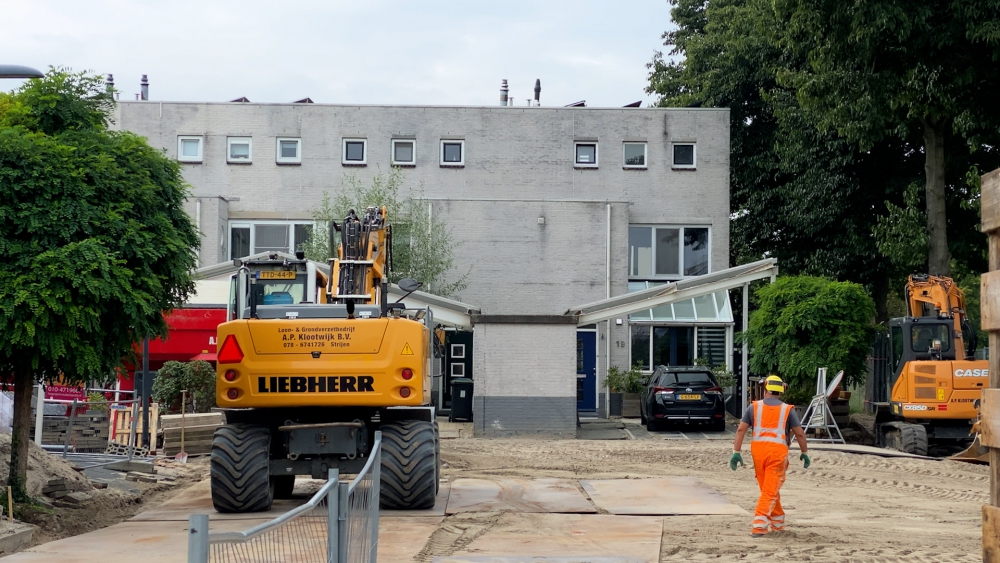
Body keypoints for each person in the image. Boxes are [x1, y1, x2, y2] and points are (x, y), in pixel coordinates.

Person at [729, 375, 810, 536]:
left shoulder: (753, 407)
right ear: (782, 390)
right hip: (777, 454)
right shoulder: (787, 410)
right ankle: (759, 525)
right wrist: (804, 452)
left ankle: (778, 523)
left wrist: (736, 452)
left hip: (758, 454)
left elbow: (740, 430)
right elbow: (799, 434)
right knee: (769, 491)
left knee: (768, 488)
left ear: (765, 388)